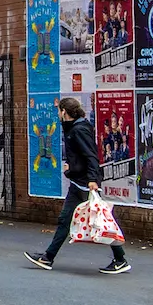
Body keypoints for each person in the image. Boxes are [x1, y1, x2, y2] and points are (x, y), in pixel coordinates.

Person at [27, 96, 128, 274]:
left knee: (101, 221)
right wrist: (72, 170)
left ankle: (120, 259)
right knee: (72, 220)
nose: (58, 114)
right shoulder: (75, 127)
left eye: (59, 111)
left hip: (85, 184)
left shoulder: (79, 129)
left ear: (64, 112)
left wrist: (92, 180)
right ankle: (48, 257)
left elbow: (91, 155)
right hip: (79, 182)